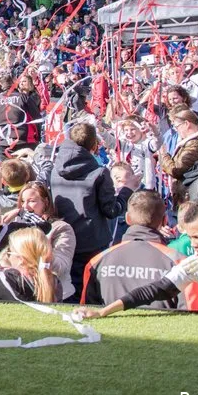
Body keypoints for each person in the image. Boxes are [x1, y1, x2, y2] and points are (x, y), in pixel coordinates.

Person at [75, 200, 198, 321]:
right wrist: (103, 312)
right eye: (191, 237)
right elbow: (154, 290)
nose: (194, 244)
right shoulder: (196, 264)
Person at [50, 123, 137, 299]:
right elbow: (112, 210)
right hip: (91, 242)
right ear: (94, 145)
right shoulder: (99, 173)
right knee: (91, 289)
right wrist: (128, 190)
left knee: (70, 288)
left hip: (64, 238)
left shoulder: (54, 170)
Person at [80, 190, 187, 309]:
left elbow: (86, 312)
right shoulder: (180, 262)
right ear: (165, 220)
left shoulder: (97, 262)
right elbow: (193, 313)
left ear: (127, 218)